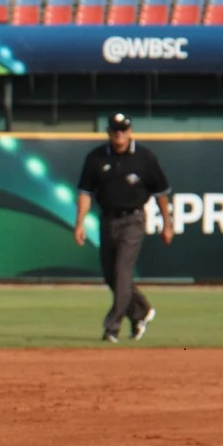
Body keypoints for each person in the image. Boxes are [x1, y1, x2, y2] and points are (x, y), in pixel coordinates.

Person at [74, 112, 173, 343]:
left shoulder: (144, 157)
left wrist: (167, 224)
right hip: (107, 220)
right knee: (112, 276)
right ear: (108, 132)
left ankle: (111, 327)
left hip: (133, 220)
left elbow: (161, 194)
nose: (119, 134)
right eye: (115, 130)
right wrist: (80, 223)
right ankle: (141, 311)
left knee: (122, 272)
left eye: (123, 130)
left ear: (130, 131)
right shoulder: (96, 158)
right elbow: (85, 193)